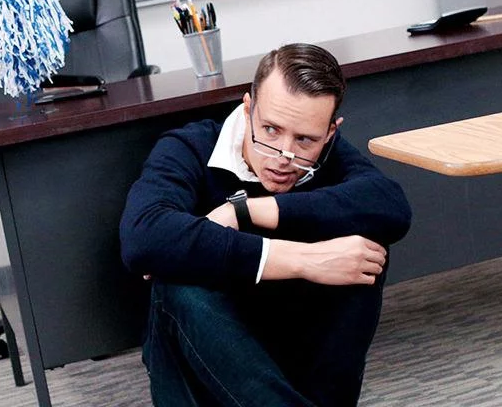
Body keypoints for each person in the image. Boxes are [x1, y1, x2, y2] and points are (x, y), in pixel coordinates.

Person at [120, 43, 413, 406]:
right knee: (179, 282)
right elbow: (144, 238)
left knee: (364, 248)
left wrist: (243, 212)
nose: (284, 156)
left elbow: (391, 205)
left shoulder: (327, 155)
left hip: (297, 368)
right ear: (248, 110)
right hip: (203, 376)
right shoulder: (190, 147)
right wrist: (301, 259)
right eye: (271, 130)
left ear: (330, 134)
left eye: (304, 139)